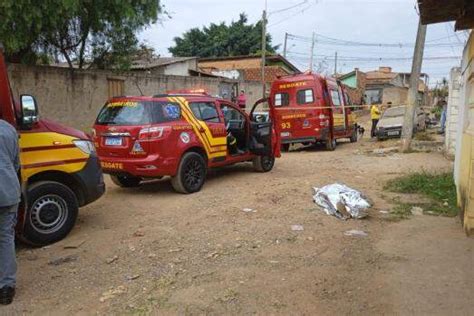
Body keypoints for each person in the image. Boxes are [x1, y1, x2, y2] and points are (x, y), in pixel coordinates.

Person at [0, 119, 20, 305]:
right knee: (6, 238)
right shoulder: (8, 129)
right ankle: (6, 288)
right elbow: (16, 164)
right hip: (8, 190)